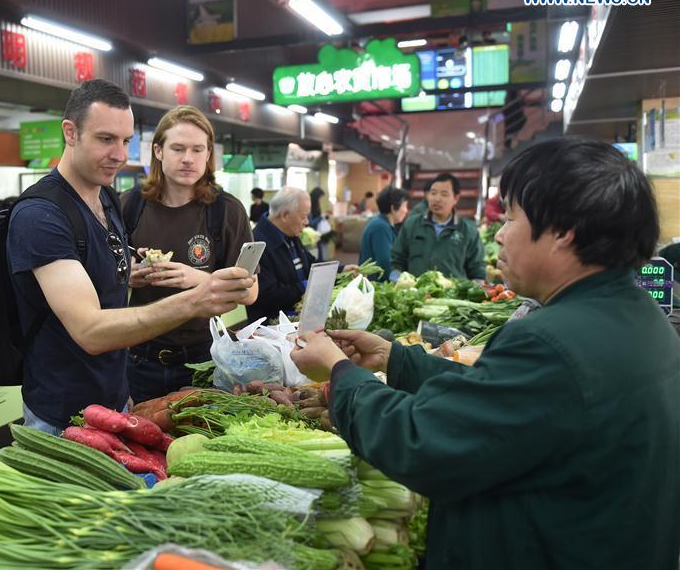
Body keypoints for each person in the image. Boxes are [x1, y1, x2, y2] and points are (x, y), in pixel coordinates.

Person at [291, 138, 680, 569]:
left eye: (511, 217)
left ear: (564, 233)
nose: (500, 235)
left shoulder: (553, 343)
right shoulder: (637, 316)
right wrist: (395, 358)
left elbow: (421, 442)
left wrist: (338, 369)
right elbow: (501, 404)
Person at [7, 80, 254, 432]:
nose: (120, 155)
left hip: (117, 392)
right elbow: (90, 330)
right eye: (105, 139)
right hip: (63, 413)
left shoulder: (106, 199)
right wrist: (194, 299)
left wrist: (130, 274)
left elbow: (109, 287)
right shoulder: (41, 215)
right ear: (70, 132)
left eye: (125, 141)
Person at [123, 105, 258, 403]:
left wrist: (197, 278)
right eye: (178, 148)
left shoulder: (226, 210)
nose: (188, 158)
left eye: (198, 150)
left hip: (205, 359)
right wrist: (126, 277)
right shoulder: (128, 206)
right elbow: (98, 281)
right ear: (158, 151)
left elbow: (250, 293)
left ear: (209, 154)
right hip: (139, 359)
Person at [390, 172, 485, 281]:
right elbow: (397, 260)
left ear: (456, 198)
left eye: (444, 194)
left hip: (452, 295)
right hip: (416, 294)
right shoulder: (411, 224)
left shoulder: (468, 230)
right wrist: (397, 278)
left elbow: (477, 271)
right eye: (433, 193)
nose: (437, 199)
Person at [246, 186, 315, 322]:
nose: (306, 222)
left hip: (296, 320)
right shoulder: (256, 245)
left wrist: (341, 270)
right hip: (271, 329)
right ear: (285, 215)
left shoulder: (291, 235)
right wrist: (304, 286)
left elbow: (311, 263)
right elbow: (266, 294)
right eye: (303, 216)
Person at [359, 186, 409, 281]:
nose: (406, 211)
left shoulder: (381, 223)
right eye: (405, 206)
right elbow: (385, 263)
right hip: (376, 285)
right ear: (393, 208)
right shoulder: (381, 227)